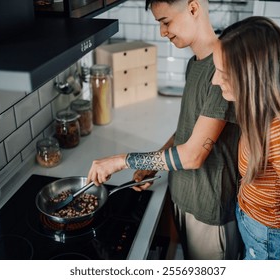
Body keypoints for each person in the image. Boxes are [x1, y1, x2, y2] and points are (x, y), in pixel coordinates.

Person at [87, 0, 242, 260]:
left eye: (166, 22)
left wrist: (121, 161)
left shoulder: (224, 69)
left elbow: (193, 155)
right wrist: (154, 161)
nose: (162, 32)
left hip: (208, 212)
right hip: (182, 199)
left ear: (193, 8)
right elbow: (187, 132)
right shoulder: (195, 63)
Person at [211, 16, 280, 260]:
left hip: (274, 245)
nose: (215, 80)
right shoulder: (256, 109)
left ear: (251, 76)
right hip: (257, 234)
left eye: (223, 73)